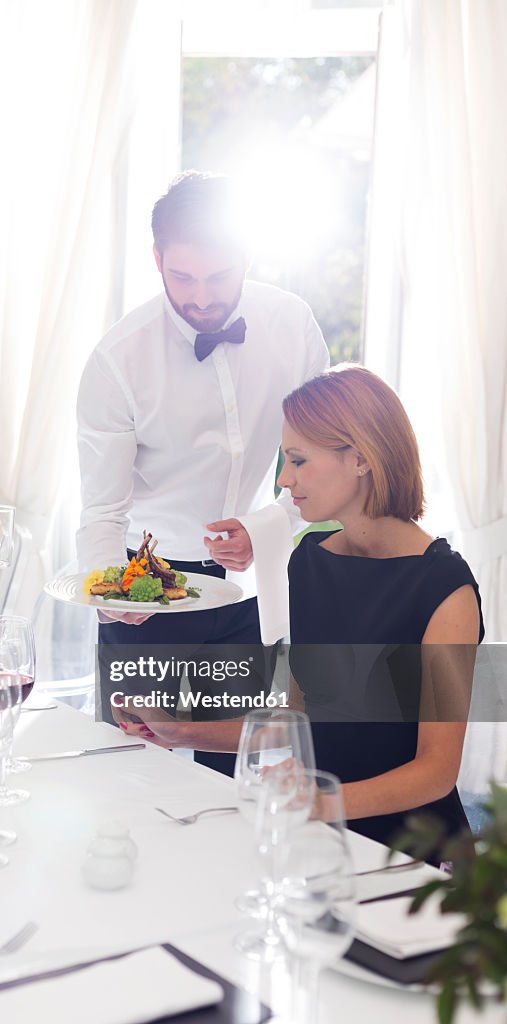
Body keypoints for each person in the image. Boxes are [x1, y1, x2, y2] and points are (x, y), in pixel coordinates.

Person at [119, 365, 484, 853]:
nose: (285, 481)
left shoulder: (446, 588)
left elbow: (436, 772)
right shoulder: (309, 561)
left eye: (297, 460)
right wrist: (178, 730)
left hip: (412, 853)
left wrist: (315, 802)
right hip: (320, 835)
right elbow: (298, 715)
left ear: (359, 458)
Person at [76, 171, 329, 775]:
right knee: (130, 771)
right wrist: (111, 593)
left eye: (218, 276)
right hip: (148, 589)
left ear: (246, 254)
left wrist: (267, 527)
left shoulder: (292, 327)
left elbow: (324, 466)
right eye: (181, 277)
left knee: (228, 771)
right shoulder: (118, 359)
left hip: (246, 588)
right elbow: (102, 510)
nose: (201, 297)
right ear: (157, 258)